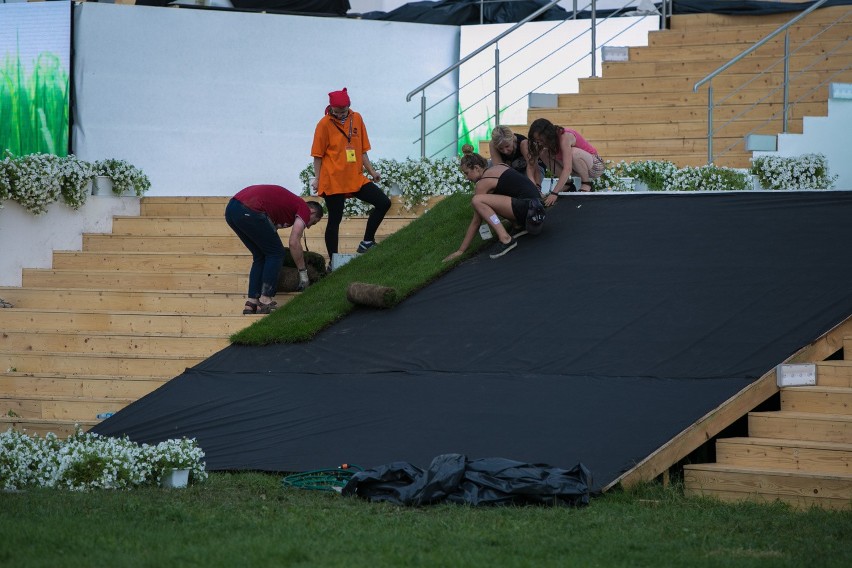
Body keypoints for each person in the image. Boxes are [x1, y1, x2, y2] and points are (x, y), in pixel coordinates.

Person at [310, 87, 391, 262]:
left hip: (355, 177)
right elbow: (317, 156)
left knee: (383, 202)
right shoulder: (324, 124)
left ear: (349, 107)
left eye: (344, 111)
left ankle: (367, 242)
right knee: (335, 220)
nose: (340, 115)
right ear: (330, 108)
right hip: (333, 180)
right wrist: (317, 178)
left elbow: (362, 150)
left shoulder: (357, 118)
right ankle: (334, 261)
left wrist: (372, 171)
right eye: (337, 112)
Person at [225, 184, 323, 314]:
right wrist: (303, 273)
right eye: (314, 222)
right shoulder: (304, 208)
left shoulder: (285, 209)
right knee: (276, 253)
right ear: (313, 212)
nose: (309, 227)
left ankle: (251, 303)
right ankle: (265, 300)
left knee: (260, 255)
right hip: (250, 208)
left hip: (232, 209)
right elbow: (294, 242)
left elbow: (268, 232)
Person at [443, 145, 545, 262]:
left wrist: (461, 250)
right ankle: (518, 225)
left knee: (477, 200)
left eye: (467, 173)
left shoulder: (482, 183)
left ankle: (505, 238)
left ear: (476, 168)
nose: (466, 178)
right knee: (495, 197)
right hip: (537, 210)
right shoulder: (500, 167)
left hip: (529, 210)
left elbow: (477, 221)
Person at [527, 118, 605, 206]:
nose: (540, 143)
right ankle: (567, 184)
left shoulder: (565, 136)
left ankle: (587, 183)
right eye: (537, 141)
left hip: (595, 166)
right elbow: (531, 164)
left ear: (548, 134)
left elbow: (567, 169)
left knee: (573, 153)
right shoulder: (547, 143)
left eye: (541, 140)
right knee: (543, 153)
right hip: (576, 168)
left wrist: (554, 193)